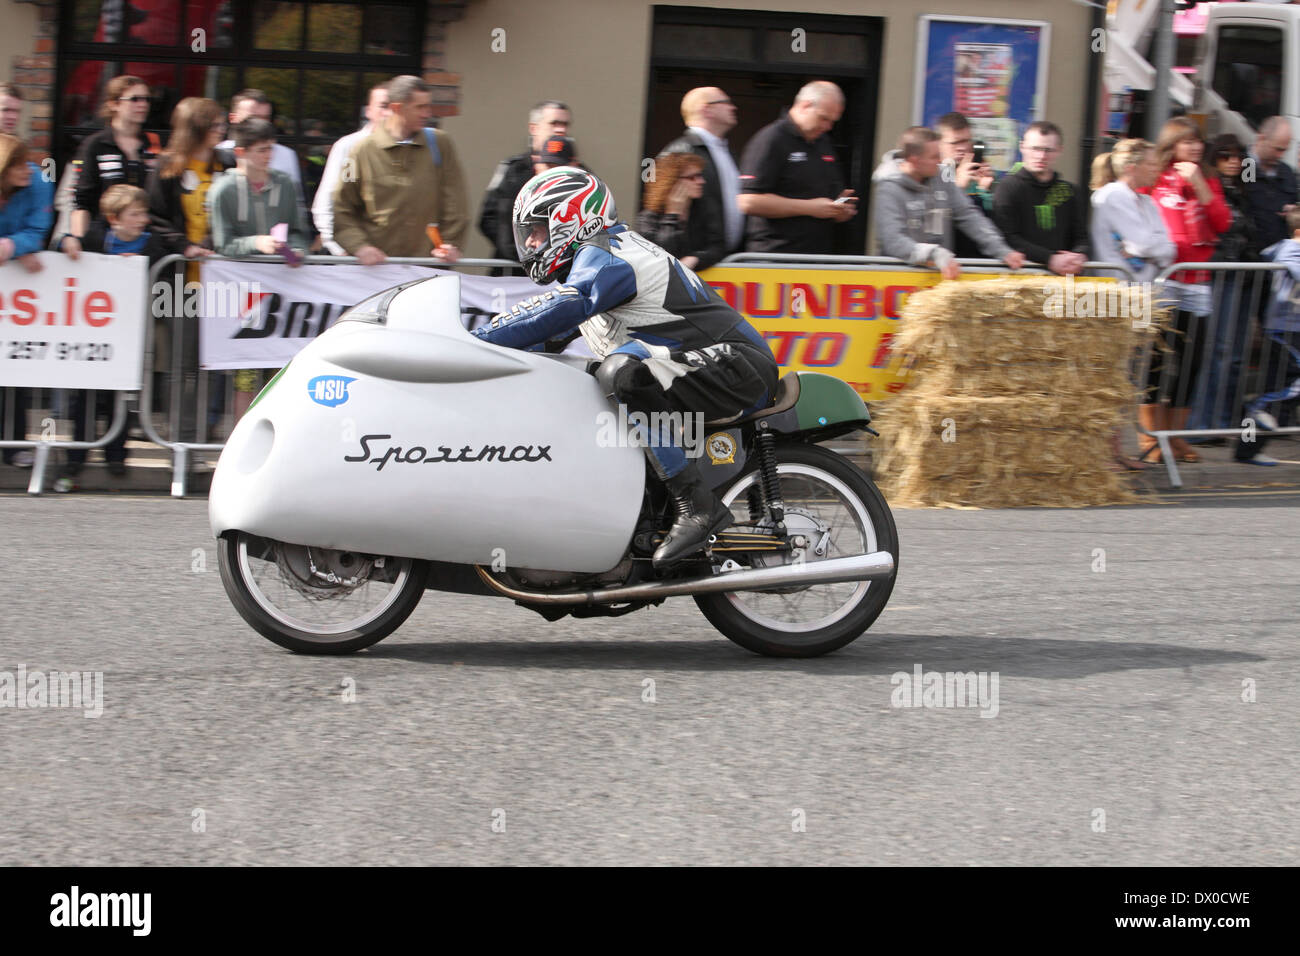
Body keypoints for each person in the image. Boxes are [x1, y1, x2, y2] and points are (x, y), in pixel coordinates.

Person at [471, 167, 779, 568]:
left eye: (538, 230)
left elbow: (559, 309)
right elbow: (542, 340)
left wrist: (476, 339)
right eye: (526, 233)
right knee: (580, 377)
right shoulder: (588, 267)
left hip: (739, 365)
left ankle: (698, 508)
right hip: (708, 368)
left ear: (570, 217)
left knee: (623, 372)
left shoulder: (611, 255)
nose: (530, 242)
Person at [60, 185, 166, 488]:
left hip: (130, 335)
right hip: (93, 335)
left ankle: (116, 454)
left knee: (121, 397)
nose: (141, 219)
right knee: (85, 398)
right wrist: (66, 241)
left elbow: (169, 277)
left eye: (143, 213)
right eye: (134, 214)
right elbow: (65, 248)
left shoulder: (154, 245)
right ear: (113, 219)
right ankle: (76, 456)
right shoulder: (95, 238)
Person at [208, 117, 308, 423]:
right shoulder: (223, 190)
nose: (268, 156)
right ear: (241, 152)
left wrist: (296, 248)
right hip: (244, 296)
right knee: (246, 374)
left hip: (283, 292)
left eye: (270, 150)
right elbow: (223, 243)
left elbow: (300, 231)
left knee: (284, 371)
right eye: (260, 150)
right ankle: (240, 441)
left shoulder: (285, 184)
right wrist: (256, 242)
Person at [1142, 117, 1230, 463]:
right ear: (1171, 146)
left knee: (1190, 362)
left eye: (1197, 141)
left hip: (1197, 282)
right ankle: (1151, 439)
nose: (1193, 147)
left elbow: (1222, 223)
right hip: (1164, 279)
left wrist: (1201, 186)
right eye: (1185, 141)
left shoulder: (1208, 179)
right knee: (1156, 360)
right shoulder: (1157, 179)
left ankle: (1175, 437)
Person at [1090, 139, 1178, 465]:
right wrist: (1145, 246)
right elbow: (1145, 242)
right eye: (1152, 164)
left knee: (1128, 376)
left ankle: (1114, 449)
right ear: (1132, 166)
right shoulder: (1112, 196)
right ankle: (1107, 450)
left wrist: (1145, 247)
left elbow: (1168, 249)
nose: (1157, 170)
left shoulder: (1146, 201)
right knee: (1113, 374)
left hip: (1141, 296)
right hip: (1116, 296)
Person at [333, 75, 466, 264]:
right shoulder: (361, 150)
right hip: (376, 270)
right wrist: (359, 246)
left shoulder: (440, 144)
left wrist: (450, 243)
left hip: (427, 268)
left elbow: (455, 202)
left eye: (428, 106)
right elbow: (341, 208)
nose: (427, 113)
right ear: (397, 108)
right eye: (420, 107)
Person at [873, 126, 1023, 279]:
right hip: (897, 279)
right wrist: (935, 254)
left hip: (940, 276)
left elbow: (969, 215)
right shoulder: (889, 187)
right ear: (914, 160)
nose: (940, 161)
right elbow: (893, 241)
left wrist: (1002, 250)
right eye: (934, 156)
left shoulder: (941, 176)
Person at [737, 81, 856, 254]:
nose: (827, 127)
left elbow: (828, 196)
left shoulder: (823, 142)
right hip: (775, 257)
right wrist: (810, 208)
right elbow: (748, 201)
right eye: (823, 118)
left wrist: (839, 209)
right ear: (805, 105)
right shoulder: (771, 139)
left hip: (816, 257)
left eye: (832, 122)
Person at [1191, 134, 1259, 432]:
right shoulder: (1211, 186)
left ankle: (1224, 421)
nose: (1233, 161)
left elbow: (1248, 226)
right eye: (1224, 156)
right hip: (1219, 272)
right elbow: (1223, 227)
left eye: (1237, 156)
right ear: (1213, 158)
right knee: (1217, 349)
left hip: (1243, 274)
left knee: (1234, 353)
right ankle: (1203, 423)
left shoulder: (1243, 189)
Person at [58, 75, 158, 261]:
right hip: (104, 245)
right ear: (114, 103)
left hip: (145, 246)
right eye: (135, 99)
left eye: (147, 99)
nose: (143, 105)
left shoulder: (152, 145)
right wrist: (80, 241)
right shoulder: (95, 145)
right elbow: (81, 201)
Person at [0, 133, 52, 469]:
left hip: (17, 298)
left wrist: (12, 247)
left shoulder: (38, 183)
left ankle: (14, 445)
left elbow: (38, 230)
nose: (27, 169)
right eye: (18, 164)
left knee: (13, 367)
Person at [1235, 207, 1300, 466]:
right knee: (1283, 389)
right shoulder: (1290, 250)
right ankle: (1256, 408)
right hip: (1285, 329)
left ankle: (1247, 450)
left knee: (1277, 388)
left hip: (1292, 328)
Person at [479, 99, 571, 263]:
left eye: (565, 124)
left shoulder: (578, 173)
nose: (560, 129)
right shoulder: (512, 169)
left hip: (558, 270)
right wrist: (522, 252)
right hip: (512, 272)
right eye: (554, 123)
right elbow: (488, 218)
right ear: (534, 128)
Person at [992, 121, 1089, 275]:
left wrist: (1078, 256)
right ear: (1022, 147)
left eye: (1048, 150)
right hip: (1020, 278)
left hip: (1064, 279)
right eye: (1035, 148)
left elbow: (1081, 237)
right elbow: (1007, 237)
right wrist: (1050, 259)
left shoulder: (1070, 191)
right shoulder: (1007, 187)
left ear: (1059, 151)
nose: (1041, 156)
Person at [659, 86, 743, 256]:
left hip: (724, 261)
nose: (733, 107)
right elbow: (662, 212)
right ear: (707, 109)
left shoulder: (728, 153)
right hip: (693, 262)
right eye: (725, 102)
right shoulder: (680, 152)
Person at [312, 82, 390, 256]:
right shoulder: (350, 146)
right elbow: (329, 200)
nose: (388, 113)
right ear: (368, 111)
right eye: (383, 106)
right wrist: (339, 247)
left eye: (393, 107)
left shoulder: (410, 149)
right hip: (353, 256)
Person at [636, 150, 726, 271]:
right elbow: (660, 256)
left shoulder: (705, 208)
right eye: (692, 177)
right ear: (672, 181)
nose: (701, 181)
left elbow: (718, 248)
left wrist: (696, 258)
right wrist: (672, 216)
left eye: (700, 176)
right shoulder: (648, 218)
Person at [935, 112, 997, 259]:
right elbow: (936, 225)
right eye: (955, 143)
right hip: (946, 259)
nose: (962, 148)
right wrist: (959, 187)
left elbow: (991, 224)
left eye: (966, 141)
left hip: (979, 260)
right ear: (939, 144)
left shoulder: (975, 170)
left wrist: (985, 190)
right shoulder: (935, 172)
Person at [1242, 116, 1297, 254]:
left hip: (1277, 255)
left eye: (1285, 150)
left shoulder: (1286, 172)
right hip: (1247, 256)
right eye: (1277, 149)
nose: (1280, 155)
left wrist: (1294, 213)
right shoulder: (1243, 166)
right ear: (1262, 139)